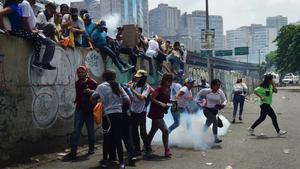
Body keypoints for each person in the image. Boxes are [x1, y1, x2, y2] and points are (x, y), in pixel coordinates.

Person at [0, 0, 56, 70]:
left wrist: (31, 30)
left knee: (37, 36)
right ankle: (36, 61)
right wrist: (4, 29)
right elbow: (0, 13)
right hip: (16, 31)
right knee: (37, 37)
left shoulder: (17, 6)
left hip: (20, 30)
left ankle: (37, 61)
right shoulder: (14, 7)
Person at [92, 70, 130, 169]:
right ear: (114, 77)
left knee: (107, 139)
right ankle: (121, 163)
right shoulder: (118, 86)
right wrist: (122, 108)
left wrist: (99, 103)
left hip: (107, 116)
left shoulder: (101, 86)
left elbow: (93, 98)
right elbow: (127, 100)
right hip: (119, 115)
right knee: (118, 139)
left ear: (104, 77)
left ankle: (104, 161)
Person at [64, 66, 97, 160]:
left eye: (82, 72)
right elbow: (78, 95)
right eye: (78, 73)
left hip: (89, 110)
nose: (80, 74)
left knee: (90, 130)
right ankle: (73, 152)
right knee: (76, 130)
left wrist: (91, 91)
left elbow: (99, 93)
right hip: (79, 109)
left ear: (86, 73)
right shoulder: (77, 83)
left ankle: (91, 149)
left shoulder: (92, 82)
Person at [147, 73, 173, 157]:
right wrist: (159, 103)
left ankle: (146, 145)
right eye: (167, 80)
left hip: (161, 112)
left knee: (153, 130)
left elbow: (166, 100)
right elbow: (151, 98)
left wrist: (168, 106)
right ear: (163, 80)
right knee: (165, 131)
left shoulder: (169, 89)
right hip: (155, 112)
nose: (168, 82)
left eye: (170, 80)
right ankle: (166, 150)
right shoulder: (159, 88)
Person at [129, 70, 152, 155]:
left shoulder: (146, 87)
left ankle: (148, 148)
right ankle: (137, 149)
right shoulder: (134, 85)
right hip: (133, 110)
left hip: (142, 111)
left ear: (143, 78)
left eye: (139, 77)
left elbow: (142, 97)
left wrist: (132, 90)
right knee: (134, 131)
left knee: (142, 132)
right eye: (137, 77)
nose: (137, 78)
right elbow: (132, 98)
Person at [197, 79, 227, 143]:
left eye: (219, 85)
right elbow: (199, 94)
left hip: (215, 111)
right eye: (217, 85)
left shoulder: (220, 92)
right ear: (213, 85)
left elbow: (224, 100)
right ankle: (216, 138)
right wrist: (198, 101)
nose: (218, 86)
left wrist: (223, 104)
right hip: (207, 110)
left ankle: (200, 135)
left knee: (208, 124)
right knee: (215, 122)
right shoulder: (207, 91)